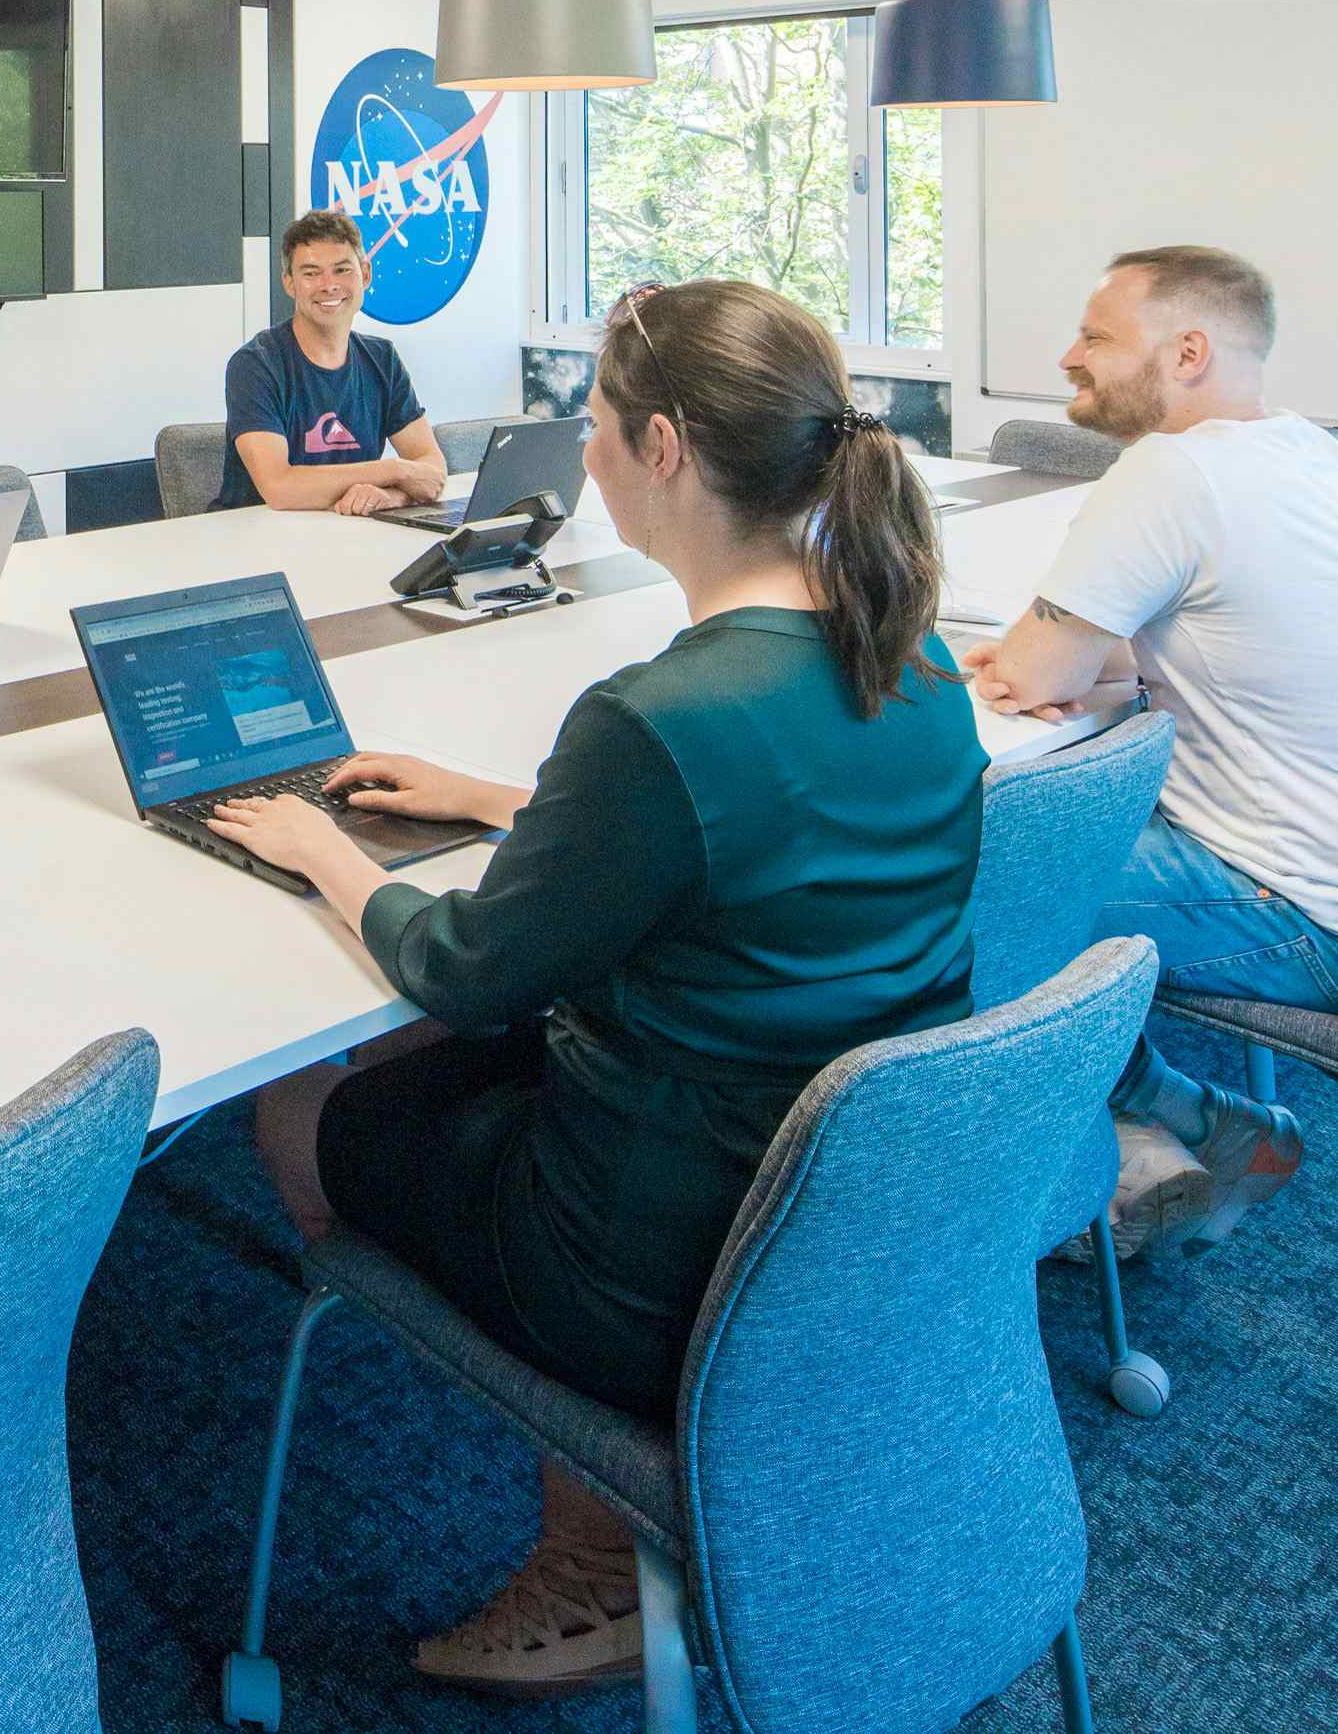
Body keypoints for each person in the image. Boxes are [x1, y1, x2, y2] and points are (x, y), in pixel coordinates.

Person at [206, 277, 981, 1700]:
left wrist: (320, 843)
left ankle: (585, 1534)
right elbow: (747, 837)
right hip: (828, 1204)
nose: (584, 450)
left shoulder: (655, 717)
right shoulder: (909, 651)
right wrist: (507, 801)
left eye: (597, 426)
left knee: (301, 1102)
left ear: (666, 447)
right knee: (445, 1060)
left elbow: (461, 962)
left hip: (638, 1257)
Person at [961, 246, 1338, 1255]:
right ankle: (1199, 1121)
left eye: (1097, 336)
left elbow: (1035, 676)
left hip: (1321, 914)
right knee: (1034, 855)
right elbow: (1123, 659)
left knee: (957, 897)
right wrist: (1085, 662)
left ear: (1188, 351)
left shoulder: (1170, 469)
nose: (1070, 354)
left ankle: (1105, 1166)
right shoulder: (1304, 449)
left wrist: (1062, 662)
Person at [216, 209, 450, 513]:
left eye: (342, 270)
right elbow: (281, 489)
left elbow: (432, 469)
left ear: (365, 275)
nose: (329, 285)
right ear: (290, 283)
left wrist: (394, 497)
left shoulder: (382, 359)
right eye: (311, 273)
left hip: (349, 534)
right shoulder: (256, 365)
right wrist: (392, 471)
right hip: (262, 545)